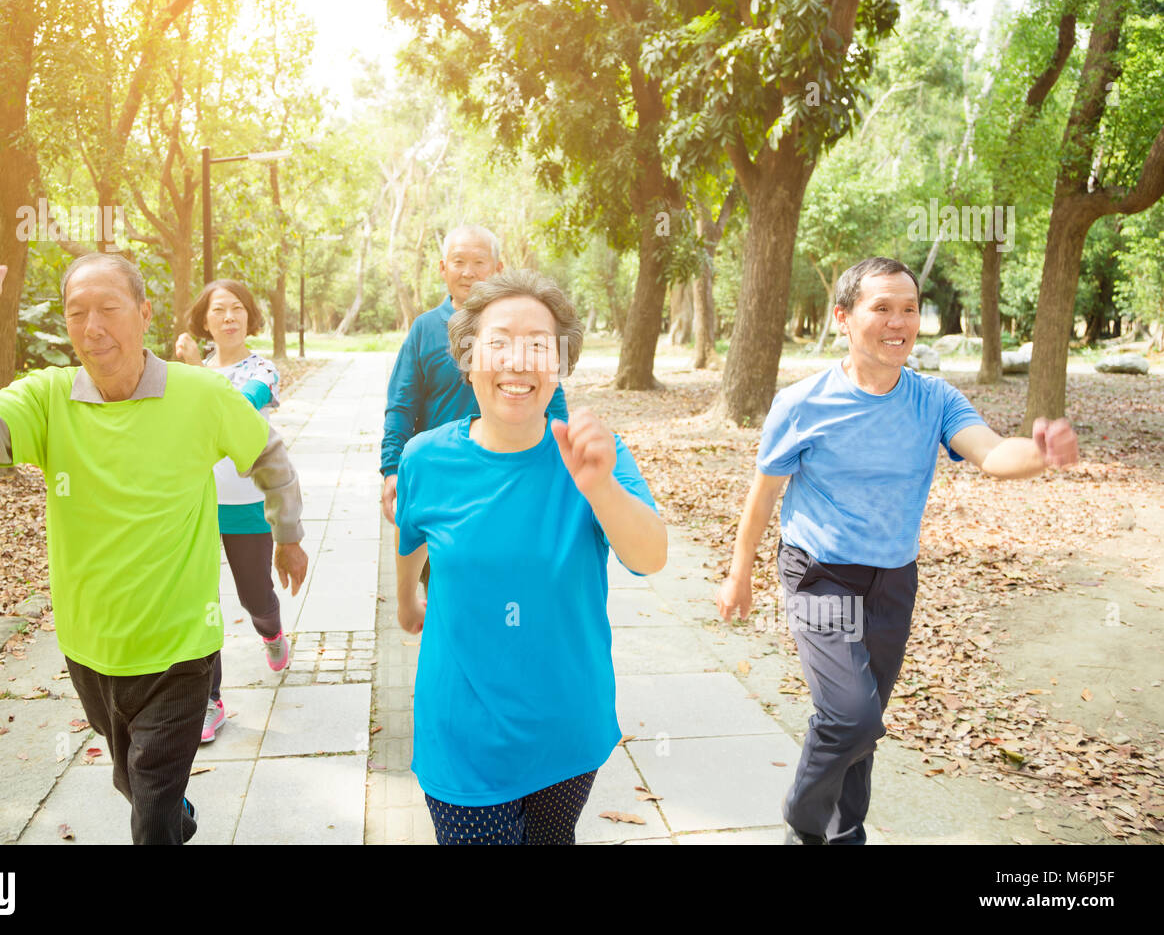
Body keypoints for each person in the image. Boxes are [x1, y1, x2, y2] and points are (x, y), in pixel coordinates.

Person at [0, 230, 308, 844]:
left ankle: (166, 817)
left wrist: (286, 534)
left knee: (150, 805)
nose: (92, 325)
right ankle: (175, 814)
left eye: (109, 308)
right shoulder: (49, 399)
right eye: (77, 312)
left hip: (181, 647)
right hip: (91, 647)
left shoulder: (201, 395)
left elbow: (269, 453)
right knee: (136, 783)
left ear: (145, 313)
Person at [715, 256, 1078, 846]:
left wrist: (1039, 453)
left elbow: (990, 453)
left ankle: (844, 835)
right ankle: (805, 827)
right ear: (843, 317)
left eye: (909, 309)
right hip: (819, 574)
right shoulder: (804, 403)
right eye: (881, 307)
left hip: (891, 580)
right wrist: (740, 575)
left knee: (862, 728)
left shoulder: (934, 398)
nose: (898, 321)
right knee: (851, 715)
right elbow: (762, 498)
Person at [394, 269, 666, 845]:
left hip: (567, 728)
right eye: (498, 342)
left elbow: (650, 556)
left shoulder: (594, 456)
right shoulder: (425, 459)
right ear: (467, 357)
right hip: (461, 735)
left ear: (560, 362)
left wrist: (600, 488)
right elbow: (412, 537)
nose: (518, 362)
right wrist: (406, 601)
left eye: (538, 345)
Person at [380, 224, 568, 528]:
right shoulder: (424, 329)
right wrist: (391, 469)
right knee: (439, 570)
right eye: (458, 262)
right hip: (443, 477)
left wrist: (565, 461)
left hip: (517, 475)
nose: (469, 272)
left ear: (498, 268)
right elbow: (402, 405)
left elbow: (552, 397)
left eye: (479, 263)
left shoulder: (525, 323)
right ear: (443, 268)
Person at [175, 279, 289, 744]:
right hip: (197, 503)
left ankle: (272, 631)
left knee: (254, 597)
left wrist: (191, 373)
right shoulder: (187, 374)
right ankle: (210, 701)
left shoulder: (263, 371)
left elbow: (235, 411)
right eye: (218, 310)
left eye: (237, 308)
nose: (228, 317)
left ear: (249, 317)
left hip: (247, 504)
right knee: (202, 604)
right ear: (205, 321)